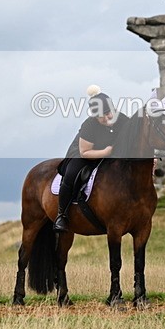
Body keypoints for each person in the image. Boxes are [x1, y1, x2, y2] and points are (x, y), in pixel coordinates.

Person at [54, 85, 119, 232]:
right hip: (82, 153)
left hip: (107, 151)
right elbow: (85, 152)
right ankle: (61, 215)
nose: (108, 117)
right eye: (102, 115)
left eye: (109, 113)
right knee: (71, 174)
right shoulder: (89, 125)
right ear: (95, 116)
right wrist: (106, 152)